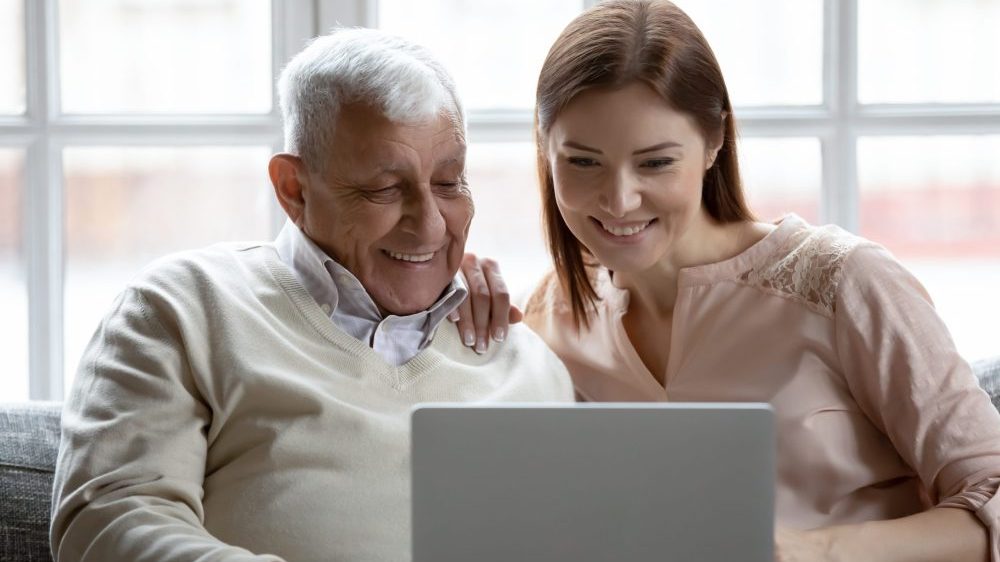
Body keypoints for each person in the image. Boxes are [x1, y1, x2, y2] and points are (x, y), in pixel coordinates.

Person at [461, 1, 1000, 560]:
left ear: (714, 143)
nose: (620, 200)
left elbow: (992, 493)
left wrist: (813, 552)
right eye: (583, 163)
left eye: (655, 163)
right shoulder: (544, 316)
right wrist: (448, 302)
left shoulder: (845, 284)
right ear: (546, 151)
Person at [49, 28, 573, 562]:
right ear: (293, 190)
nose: (432, 227)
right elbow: (107, 522)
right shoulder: (183, 310)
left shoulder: (526, 361)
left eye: (448, 182)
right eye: (385, 189)